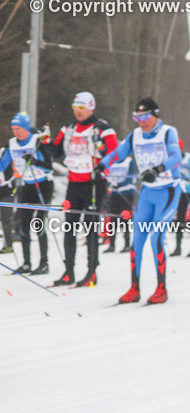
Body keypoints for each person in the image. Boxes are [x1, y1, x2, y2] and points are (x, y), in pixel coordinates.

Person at [95, 98, 182, 304]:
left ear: (155, 115)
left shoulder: (168, 132)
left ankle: (161, 288)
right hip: (147, 193)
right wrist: (101, 166)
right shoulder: (135, 135)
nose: (141, 122)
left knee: (156, 238)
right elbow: (117, 152)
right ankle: (134, 288)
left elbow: (175, 156)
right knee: (137, 241)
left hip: (168, 190)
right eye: (137, 117)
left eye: (145, 117)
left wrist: (157, 169)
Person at [43, 91, 119, 286]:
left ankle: (92, 272)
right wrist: (45, 142)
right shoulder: (68, 128)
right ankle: (69, 272)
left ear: (91, 107)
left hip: (94, 183)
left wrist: (101, 150)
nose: (78, 112)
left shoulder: (103, 128)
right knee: (70, 227)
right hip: (74, 183)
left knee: (90, 227)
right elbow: (56, 152)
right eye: (75, 108)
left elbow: (115, 153)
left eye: (82, 108)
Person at [0, 112, 54, 274]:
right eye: (14, 128)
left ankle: (44, 263)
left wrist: (35, 161)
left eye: (19, 128)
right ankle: (26, 263)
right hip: (27, 186)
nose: (16, 132)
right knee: (23, 225)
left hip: (43, 185)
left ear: (26, 128)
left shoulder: (36, 141)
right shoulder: (12, 144)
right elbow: (2, 165)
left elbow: (49, 166)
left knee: (38, 224)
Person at [102, 154, 136, 253]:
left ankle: (126, 245)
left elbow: (130, 177)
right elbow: (108, 175)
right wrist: (110, 183)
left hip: (127, 193)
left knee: (125, 220)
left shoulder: (129, 161)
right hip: (115, 194)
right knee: (113, 220)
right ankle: (112, 245)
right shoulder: (112, 162)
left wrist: (120, 184)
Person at [171, 147, 190, 257]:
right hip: (181, 192)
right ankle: (178, 247)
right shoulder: (173, 159)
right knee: (179, 219)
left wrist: (183, 176)